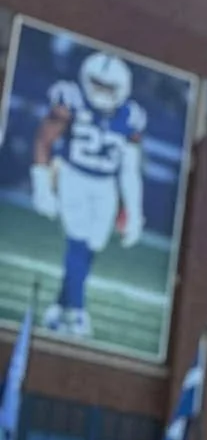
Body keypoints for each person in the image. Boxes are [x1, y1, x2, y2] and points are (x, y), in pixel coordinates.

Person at [30, 49, 146, 341]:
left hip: (105, 186)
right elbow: (44, 139)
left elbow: (130, 169)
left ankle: (58, 306)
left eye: (108, 87)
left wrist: (134, 211)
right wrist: (42, 184)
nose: (101, 92)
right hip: (74, 176)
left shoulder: (131, 116)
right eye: (97, 84)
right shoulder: (71, 99)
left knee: (92, 244)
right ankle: (78, 312)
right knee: (77, 239)